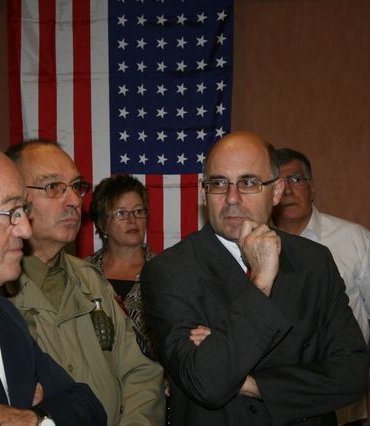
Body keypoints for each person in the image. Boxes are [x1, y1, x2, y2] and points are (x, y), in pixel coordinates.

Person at [140, 131, 369, 425]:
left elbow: (351, 374)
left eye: (248, 183)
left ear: (277, 191)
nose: (232, 198)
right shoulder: (169, 271)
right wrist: (260, 283)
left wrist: (251, 383)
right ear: (203, 192)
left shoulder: (314, 261)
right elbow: (207, 383)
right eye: (218, 183)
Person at [0, 137, 106, 426]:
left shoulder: (5, 316)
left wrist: (30, 418)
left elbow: (88, 407)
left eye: (23, 212)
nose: (25, 229)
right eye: (10, 213)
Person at [5, 140, 165, 426]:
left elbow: (140, 372)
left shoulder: (90, 280)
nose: (75, 201)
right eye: (53, 187)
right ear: (14, 199)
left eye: (76, 187)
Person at [272, 147, 370, 425]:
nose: (287, 190)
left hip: (343, 406)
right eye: (278, 182)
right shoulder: (251, 245)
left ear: (312, 188)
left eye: (296, 180)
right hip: (276, 403)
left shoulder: (354, 239)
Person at [87, 174, 156, 359]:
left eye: (138, 211)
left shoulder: (165, 271)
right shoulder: (82, 272)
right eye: (121, 213)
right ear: (102, 224)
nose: (132, 220)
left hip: (151, 374)